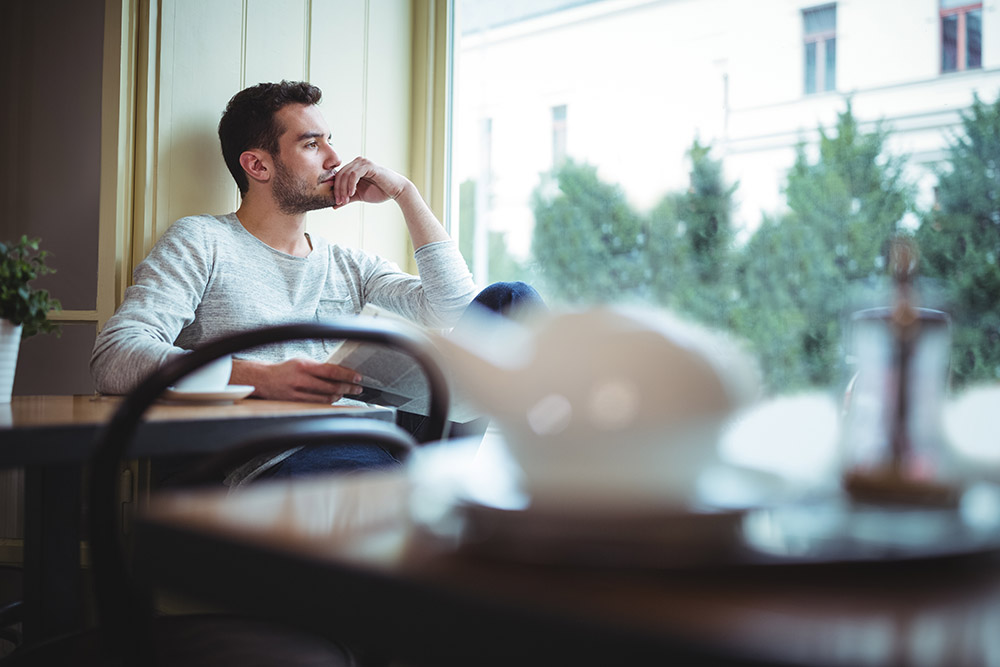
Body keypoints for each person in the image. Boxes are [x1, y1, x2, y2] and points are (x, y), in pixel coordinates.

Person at [90, 80, 542, 482]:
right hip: (284, 453)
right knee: (396, 510)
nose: (335, 159)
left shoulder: (350, 264)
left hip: (391, 439)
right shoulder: (202, 240)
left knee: (513, 300)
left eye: (330, 141)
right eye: (311, 145)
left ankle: (546, 472)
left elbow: (456, 310)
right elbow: (116, 355)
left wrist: (406, 195)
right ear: (258, 166)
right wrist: (259, 378)